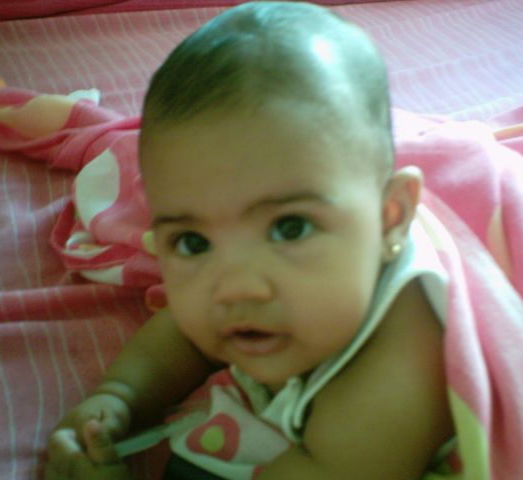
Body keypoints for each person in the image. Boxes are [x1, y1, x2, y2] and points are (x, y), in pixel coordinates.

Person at [44, 2, 455, 479]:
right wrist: (119, 395)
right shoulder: (270, 296)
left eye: (291, 228)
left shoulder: (399, 366)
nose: (235, 288)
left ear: (390, 220)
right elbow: (186, 332)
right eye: (194, 242)